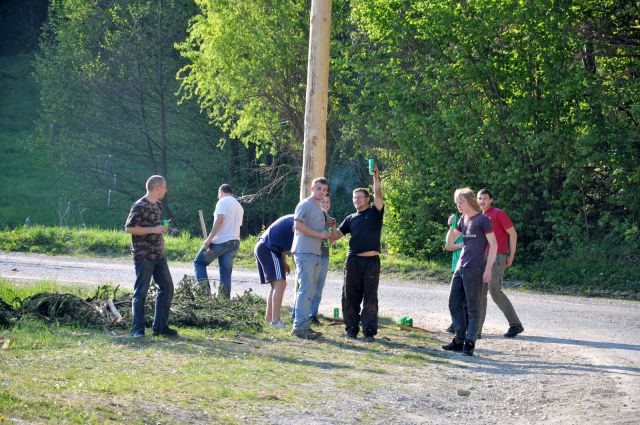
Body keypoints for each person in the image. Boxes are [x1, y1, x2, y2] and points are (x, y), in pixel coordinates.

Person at [332, 166, 384, 342]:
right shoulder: (350, 218)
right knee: (350, 296)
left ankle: (369, 331)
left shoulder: (375, 212)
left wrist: (375, 177)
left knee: (370, 297)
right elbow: (337, 236)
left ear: (367, 199)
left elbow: (378, 195)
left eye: (359, 197)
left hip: (371, 262)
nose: (356, 200)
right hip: (353, 261)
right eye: (354, 198)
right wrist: (330, 227)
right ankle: (351, 328)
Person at [443, 187, 497, 356]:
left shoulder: (483, 220)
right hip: (460, 266)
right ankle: (459, 339)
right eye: (456, 203)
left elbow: (494, 245)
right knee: (453, 303)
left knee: (473, 307)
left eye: (461, 201)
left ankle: (470, 342)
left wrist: (488, 269)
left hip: (476, 268)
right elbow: (449, 244)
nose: (458, 205)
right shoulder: (463, 219)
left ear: (469, 200)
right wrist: (451, 226)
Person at [125, 175, 177, 338]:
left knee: (167, 287)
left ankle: (160, 327)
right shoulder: (139, 205)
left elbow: (155, 226)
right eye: (164, 187)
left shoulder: (158, 204)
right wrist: (154, 230)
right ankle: (137, 330)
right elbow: (129, 228)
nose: (166, 190)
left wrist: (161, 234)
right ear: (157, 188)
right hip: (143, 255)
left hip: (158, 254)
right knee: (141, 292)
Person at [477, 188, 524, 338]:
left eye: (484, 198)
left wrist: (511, 255)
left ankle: (515, 324)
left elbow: (513, 233)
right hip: (481, 258)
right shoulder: (478, 216)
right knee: (480, 293)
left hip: (497, 256)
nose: (481, 201)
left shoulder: (498, 213)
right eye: (479, 198)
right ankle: (476, 331)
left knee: (494, 290)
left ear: (491, 200)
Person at [290, 177, 332, 339]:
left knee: (311, 290)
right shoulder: (305, 204)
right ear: (312, 188)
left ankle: (304, 325)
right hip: (304, 252)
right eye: (319, 189)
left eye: (324, 190)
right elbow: (298, 225)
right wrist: (320, 234)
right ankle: (299, 327)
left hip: (315, 253)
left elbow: (321, 233)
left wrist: (327, 231)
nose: (322, 193)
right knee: (306, 289)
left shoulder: (318, 207)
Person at [193, 183, 244, 298]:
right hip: (235, 242)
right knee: (226, 273)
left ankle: (204, 296)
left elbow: (220, 220)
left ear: (220, 192)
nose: (218, 197)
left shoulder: (222, 201)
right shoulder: (239, 206)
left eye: (218, 195)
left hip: (221, 242)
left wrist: (209, 239)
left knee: (198, 262)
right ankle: (223, 300)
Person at [254, 214, 295, 328]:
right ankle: (276, 321)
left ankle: (269, 319)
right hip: (268, 249)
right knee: (280, 284)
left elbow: (279, 239)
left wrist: (284, 262)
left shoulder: (296, 219)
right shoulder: (299, 222)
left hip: (266, 247)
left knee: (275, 286)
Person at [309, 193, 336, 325]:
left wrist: (333, 228)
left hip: (324, 255)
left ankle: (313, 315)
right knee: (308, 286)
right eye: (323, 202)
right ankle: (300, 314)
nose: (325, 204)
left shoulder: (330, 219)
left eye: (327, 202)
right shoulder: (313, 217)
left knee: (319, 288)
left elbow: (332, 242)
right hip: (312, 253)